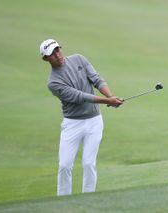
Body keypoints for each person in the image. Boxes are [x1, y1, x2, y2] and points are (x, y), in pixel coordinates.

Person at [39, 39, 123, 196]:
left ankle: (87, 199)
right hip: (72, 124)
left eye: (58, 49)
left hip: (94, 121)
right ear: (45, 59)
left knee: (89, 163)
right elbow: (79, 96)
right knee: (64, 165)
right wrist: (107, 101)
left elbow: (96, 79)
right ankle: (63, 201)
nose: (57, 55)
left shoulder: (79, 59)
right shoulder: (53, 82)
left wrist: (111, 97)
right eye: (52, 53)